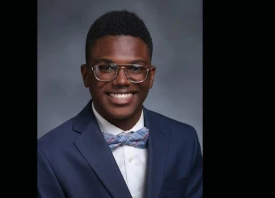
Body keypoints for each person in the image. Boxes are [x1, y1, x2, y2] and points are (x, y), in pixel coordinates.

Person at [37, 10, 203, 198]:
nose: (122, 81)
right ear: (86, 75)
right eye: (107, 68)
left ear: (151, 77)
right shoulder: (48, 155)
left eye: (135, 68)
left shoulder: (184, 141)